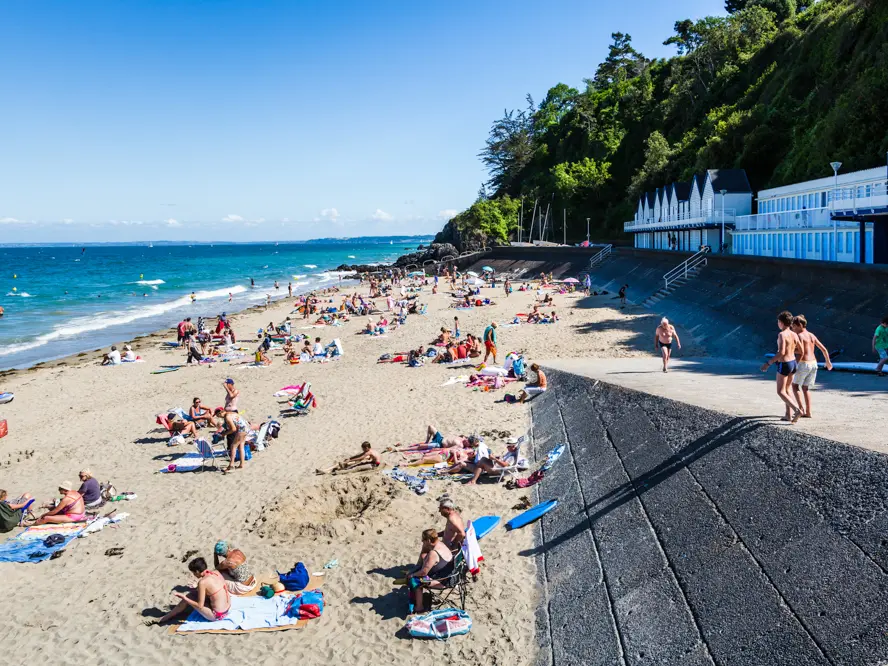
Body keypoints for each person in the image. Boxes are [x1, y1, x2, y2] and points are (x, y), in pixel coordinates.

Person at [158, 557, 232, 623]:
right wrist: (196, 588)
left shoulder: (202, 582)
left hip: (218, 615)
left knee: (188, 597)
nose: (193, 575)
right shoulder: (216, 573)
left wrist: (184, 598)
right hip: (228, 607)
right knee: (194, 593)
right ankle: (169, 615)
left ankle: (165, 618)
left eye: (193, 572)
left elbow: (200, 606)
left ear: (197, 571)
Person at [760, 310, 803, 423]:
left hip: (784, 364)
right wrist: (795, 361)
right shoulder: (794, 334)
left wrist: (768, 363)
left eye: (778, 321)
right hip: (793, 363)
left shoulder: (782, 334)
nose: (778, 324)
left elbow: (781, 353)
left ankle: (796, 410)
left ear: (781, 322)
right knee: (787, 390)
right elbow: (801, 350)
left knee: (780, 391)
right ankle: (788, 415)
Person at [791, 314, 833, 418]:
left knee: (795, 386)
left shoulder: (799, 336)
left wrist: (794, 364)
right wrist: (828, 362)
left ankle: (800, 409)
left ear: (800, 325)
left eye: (794, 327)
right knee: (806, 388)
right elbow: (824, 349)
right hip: (814, 364)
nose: (793, 329)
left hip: (803, 363)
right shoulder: (811, 335)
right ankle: (808, 412)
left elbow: (801, 352)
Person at [406, 529, 454, 614]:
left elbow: (423, 572)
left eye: (423, 540)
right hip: (452, 575)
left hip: (443, 581)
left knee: (416, 580)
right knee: (419, 573)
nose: (422, 542)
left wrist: (412, 575)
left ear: (428, 540)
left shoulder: (433, 553)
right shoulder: (441, 544)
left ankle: (419, 607)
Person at [215, 408, 249, 473]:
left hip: (242, 429)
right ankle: (241, 464)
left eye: (218, 416)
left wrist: (224, 434)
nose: (218, 417)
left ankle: (231, 465)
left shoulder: (227, 417)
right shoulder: (231, 413)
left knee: (233, 446)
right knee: (241, 446)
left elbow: (233, 429)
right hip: (246, 428)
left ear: (220, 413)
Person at [315, 441, 382, 475]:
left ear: (366, 448)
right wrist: (350, 458)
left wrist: (350, 460)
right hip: (372, 462)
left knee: (357, 468)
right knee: (356, 464)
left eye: (363, 448)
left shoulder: (369, 452)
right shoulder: (371, 451)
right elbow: (360, 455)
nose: (362, 450)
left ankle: (337, 472)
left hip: (374, 465)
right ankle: (327, 470)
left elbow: (360, 458)